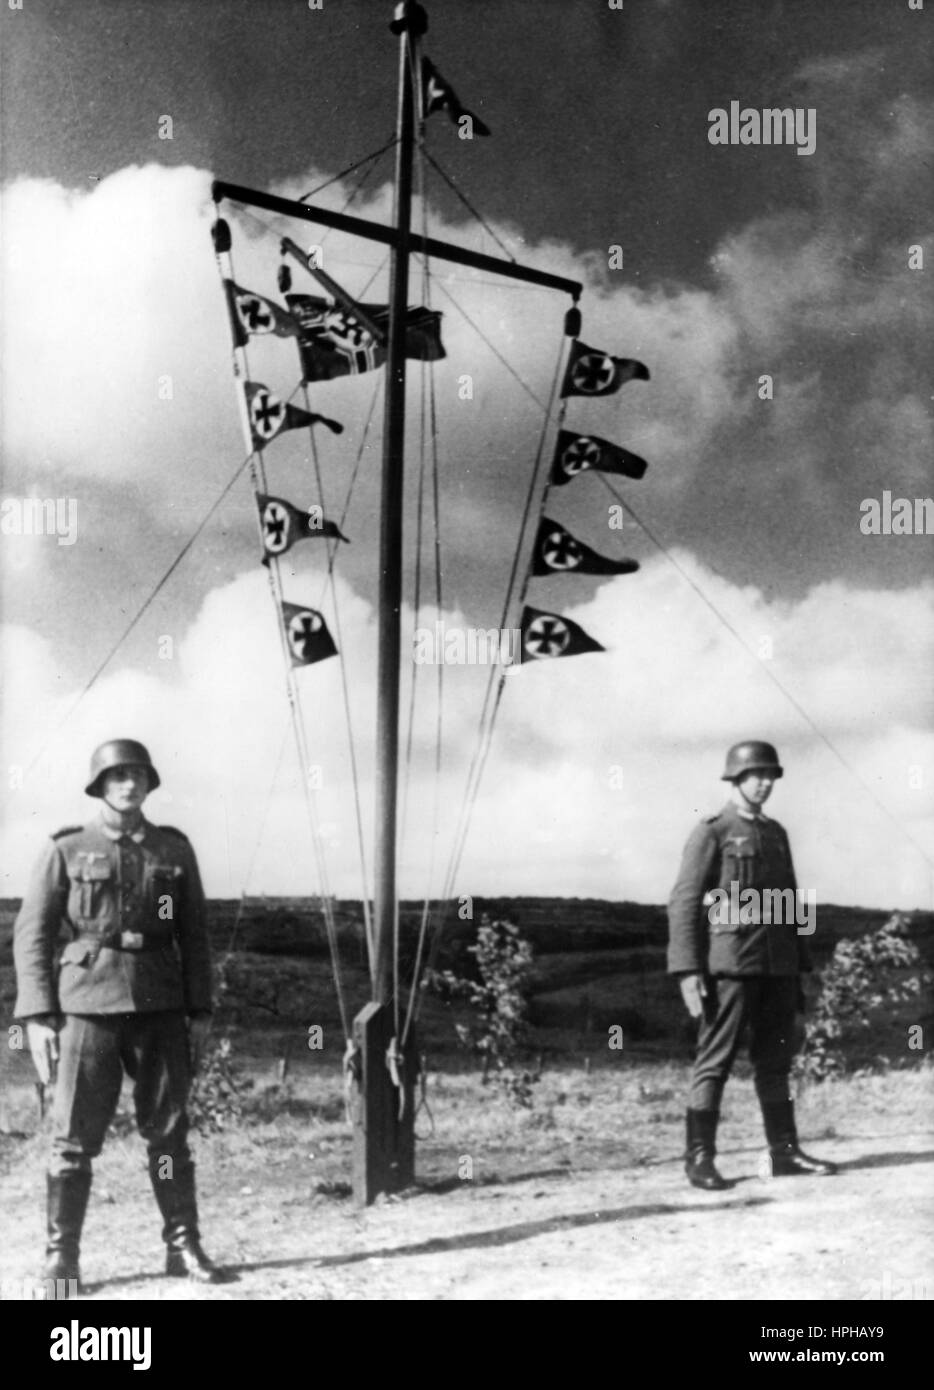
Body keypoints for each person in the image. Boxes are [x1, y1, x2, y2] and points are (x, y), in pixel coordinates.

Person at [13, 738, 227, 1295]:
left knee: (169, 1133)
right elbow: (32, 934)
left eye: (137, 776)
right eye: (117, 777)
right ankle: (63, 1261)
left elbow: (194, 933)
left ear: (150, 784)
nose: (128, 785)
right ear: (100, 786)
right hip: (88, 1006)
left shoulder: (173, 851)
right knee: (73, 1138)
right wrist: (37, 1014)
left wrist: (199, 1007)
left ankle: (182, 1244)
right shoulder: (66, 848)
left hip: (160, 1003)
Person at [667, 739, 837, 1189]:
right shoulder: (713, 831)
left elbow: (789, 902)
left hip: (777, 968)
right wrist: (687, 970)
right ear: (735, 778)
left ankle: (783, 1152)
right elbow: (685, 901)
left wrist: (799, 966)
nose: (764, 783)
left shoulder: (776, 833)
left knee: (776, 1060)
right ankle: (699, 1158)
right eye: (755, 775)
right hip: (731, 967)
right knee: (714, 1062)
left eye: (770, 776)